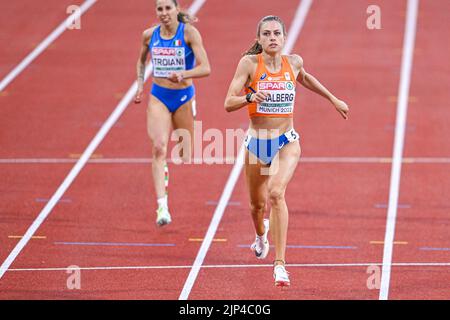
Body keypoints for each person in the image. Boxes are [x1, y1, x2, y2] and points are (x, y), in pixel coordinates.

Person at [224, 15, 349, 286]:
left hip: (286, 141)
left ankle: (280, 264)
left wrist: (333, 99)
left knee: (276, 193)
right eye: (266, 33)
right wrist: (249, 96)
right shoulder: (248, 64)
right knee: (257, 207)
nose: (272, 38)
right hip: (257, 142)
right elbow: (228, 102)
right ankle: (260, 235)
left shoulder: (293, 62)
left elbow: (305, 78)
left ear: (283, 38)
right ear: (259, 39)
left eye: (276, 33)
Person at [134, 0, 211, 226]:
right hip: (159, 95)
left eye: (168, 8)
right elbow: (140, 62)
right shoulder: (149, 35)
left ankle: (191, 112)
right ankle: (162, 206)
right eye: (160, 9)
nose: (164, 13)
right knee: (159, 148)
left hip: (184, 96)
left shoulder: (189, 33)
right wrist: (140, 84)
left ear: (177, 9)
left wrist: (183, 73)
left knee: (185, 153)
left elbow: (206, 67)